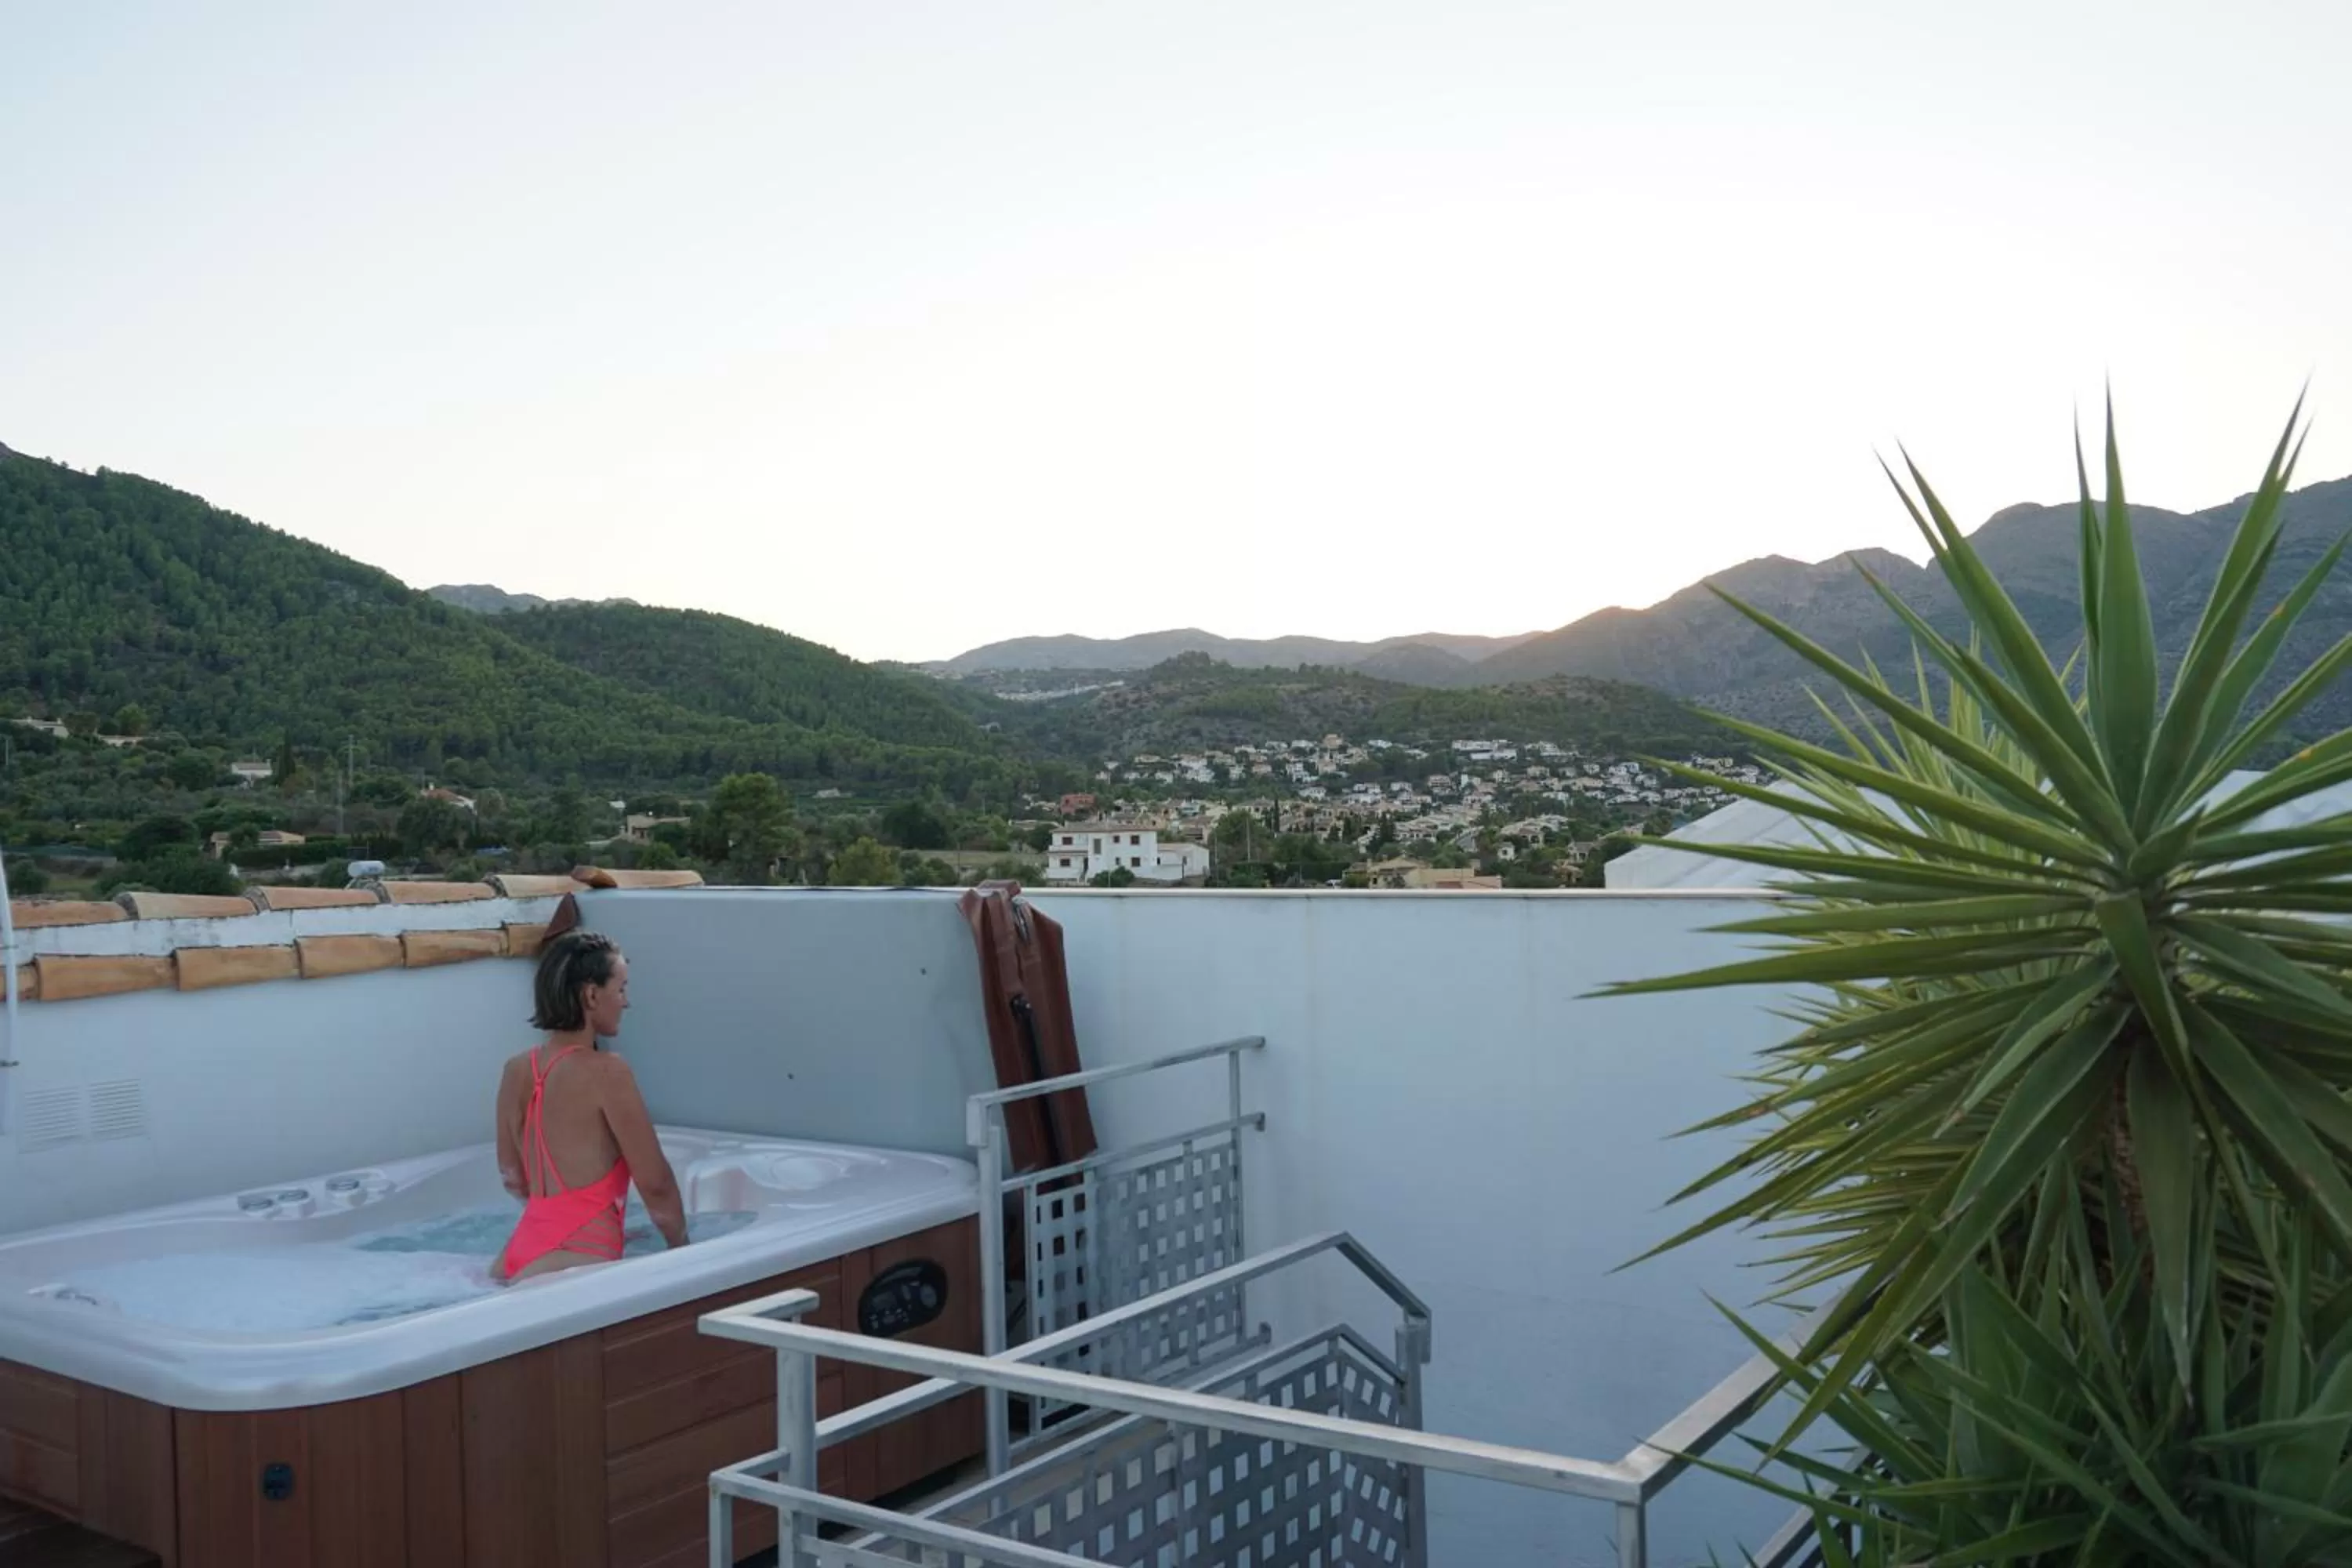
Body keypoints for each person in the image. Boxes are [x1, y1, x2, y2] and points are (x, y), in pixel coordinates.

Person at [492, 930, 688, 1281]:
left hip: (519, 1252)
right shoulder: (608, 1072)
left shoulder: (515, 1070)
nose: (626, 1002)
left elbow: (514, 1178)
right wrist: (684, 1250)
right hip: (578, 1256)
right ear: (592, 995)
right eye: (621, 989)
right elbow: (656, 1184)